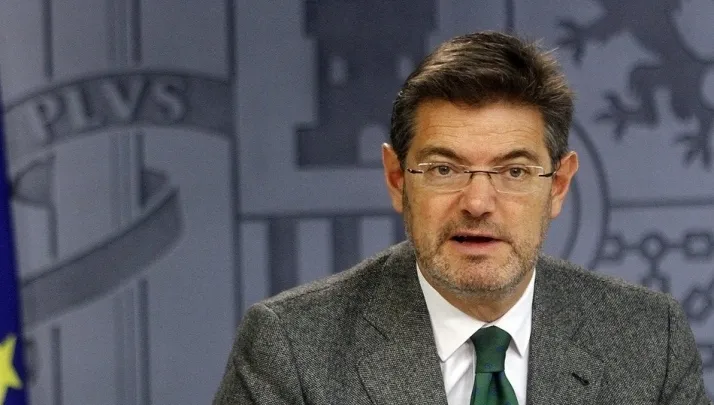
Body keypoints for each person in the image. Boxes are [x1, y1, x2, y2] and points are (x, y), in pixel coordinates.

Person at [213, 31, 712, 405]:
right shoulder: (291, 349)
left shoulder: (650, 339)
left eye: (514, 171)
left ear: (558, 186)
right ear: (397, 179)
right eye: (444, 169)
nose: (477, 202)